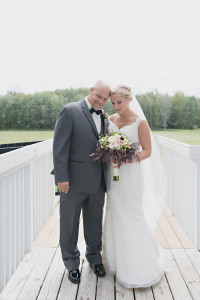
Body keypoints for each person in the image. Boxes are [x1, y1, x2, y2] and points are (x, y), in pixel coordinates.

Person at [103, 85, 166, 288]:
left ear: (129, 99)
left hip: (131, 174)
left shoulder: (140, 122)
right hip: (112, 175)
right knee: (114, 211)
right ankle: (115, 260)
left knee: (131, 212)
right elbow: (104, 143)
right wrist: (109, 152)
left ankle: (140, 265)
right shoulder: (110, 120)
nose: (116, 106)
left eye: (119, 102)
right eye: (113, 103)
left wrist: (126, 159)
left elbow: (147, 151)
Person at [53, 80, 111, 284]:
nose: (101, 101)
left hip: (98, 183)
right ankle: (71, 263)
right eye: (99, 96)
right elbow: (59, 146)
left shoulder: (104, 117)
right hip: (73, 182)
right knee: (69, 224)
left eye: (105, 99)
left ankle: (95, 258)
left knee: (94, 223)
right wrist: (61, 177)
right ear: (91, 91)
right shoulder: (69, 111)